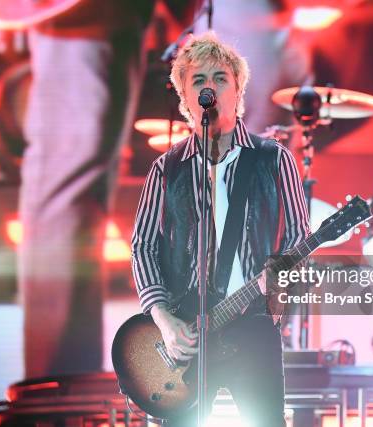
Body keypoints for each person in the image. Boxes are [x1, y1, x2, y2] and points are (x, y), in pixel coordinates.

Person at [131, 32, 309, 426]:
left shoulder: (272, 159)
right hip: (187, 332)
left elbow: (299, 236)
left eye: (220, 78)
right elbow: (142, 246)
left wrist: (279, 280)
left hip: (252, 325)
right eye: (198, 80)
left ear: (238, 88)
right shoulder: (167, 169)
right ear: (184, 95)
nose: (209, 87)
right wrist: (163, 318)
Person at [18, 1, 162, 378]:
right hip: (85, 15)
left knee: (86, 179)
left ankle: (67, 387)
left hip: (108, 16)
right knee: (73, 175)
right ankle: (56, 394)